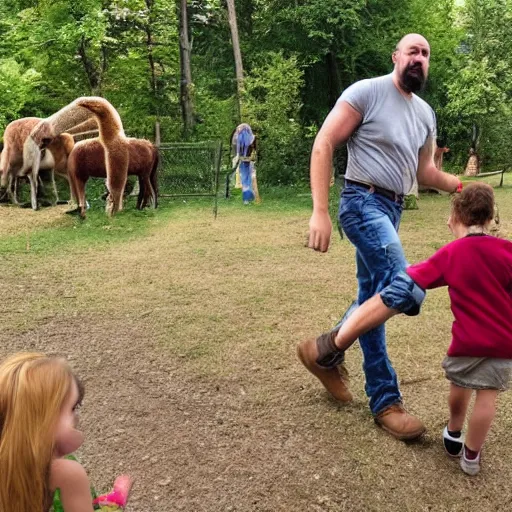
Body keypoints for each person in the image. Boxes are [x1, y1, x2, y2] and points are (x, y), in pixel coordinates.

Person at [297, 33, 463, 440]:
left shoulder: (425, 113)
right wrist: (319, 210)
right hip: (361, 201)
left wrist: (460, 186)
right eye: (412, 51)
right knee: (404, 285)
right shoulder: (367, 92)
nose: (419, 58)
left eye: (425, 54)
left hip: (393, 209)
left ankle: (323, 352)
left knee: (375, 299)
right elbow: (324, 143)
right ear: (396, 57)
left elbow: (424, 173)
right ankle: (383, 398)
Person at [322, 183, 512, 475]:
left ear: (456, 217)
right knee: (487, 398)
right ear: (490, 217)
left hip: (466, 343)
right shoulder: (506, 251)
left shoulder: (452, 253)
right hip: (502, 343)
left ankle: (453, 431)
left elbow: (415, 276)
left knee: (459, 388)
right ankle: (472, 457)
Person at [0, 352, 132, 511]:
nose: (77, 417)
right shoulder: (66, 473)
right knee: (105, 507)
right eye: (73, 408)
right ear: (42, 421)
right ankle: (115, 500)